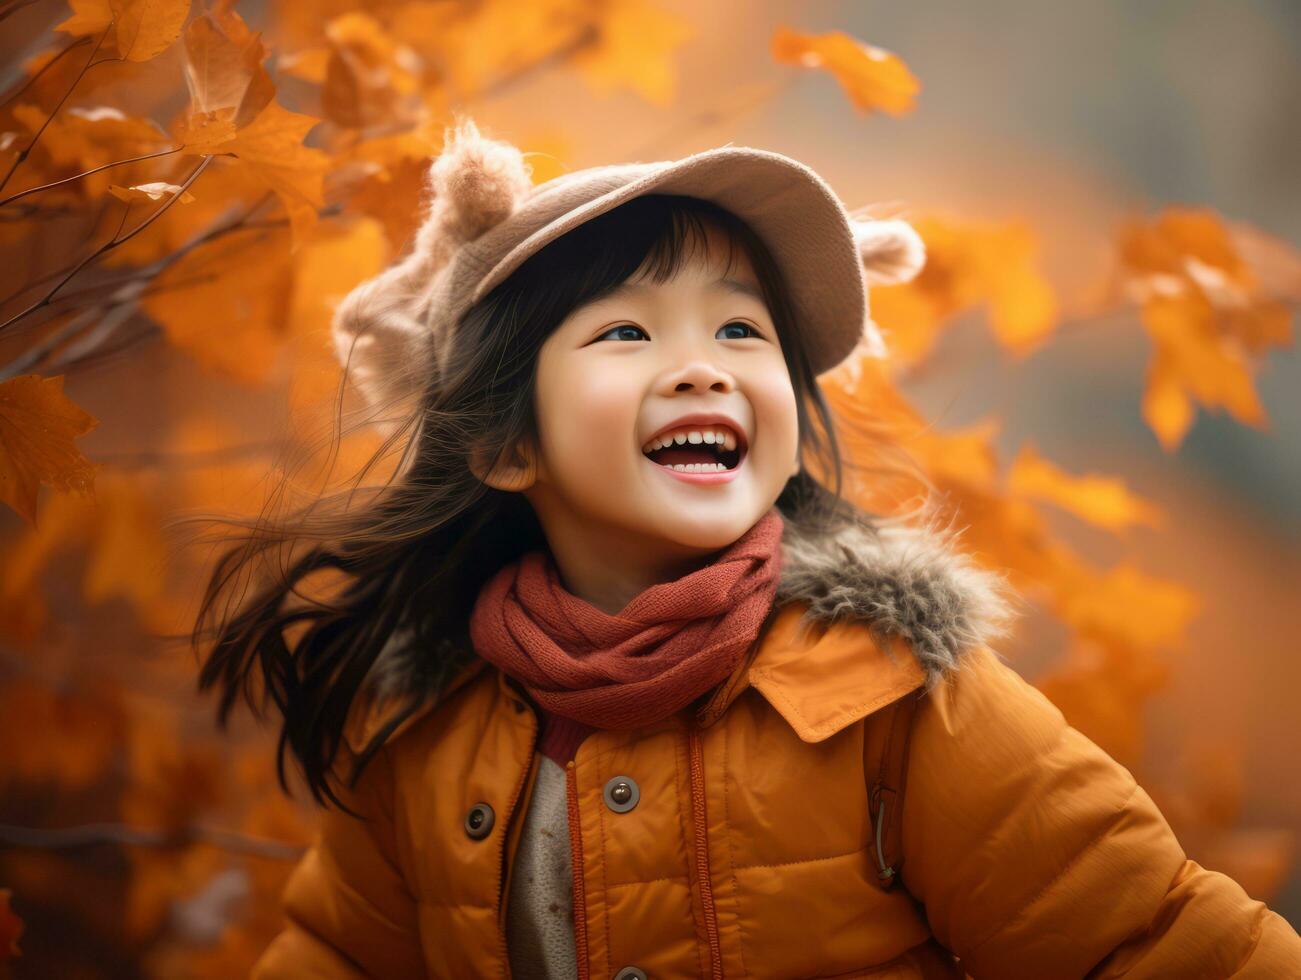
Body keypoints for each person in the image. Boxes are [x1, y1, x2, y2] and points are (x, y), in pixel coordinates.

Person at [196, 115, 1301, 978]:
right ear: (502, 444)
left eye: (739, 329)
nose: (702, 366)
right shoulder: (426, 737)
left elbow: (1148, 940)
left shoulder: (889, 698)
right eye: (626, 331)